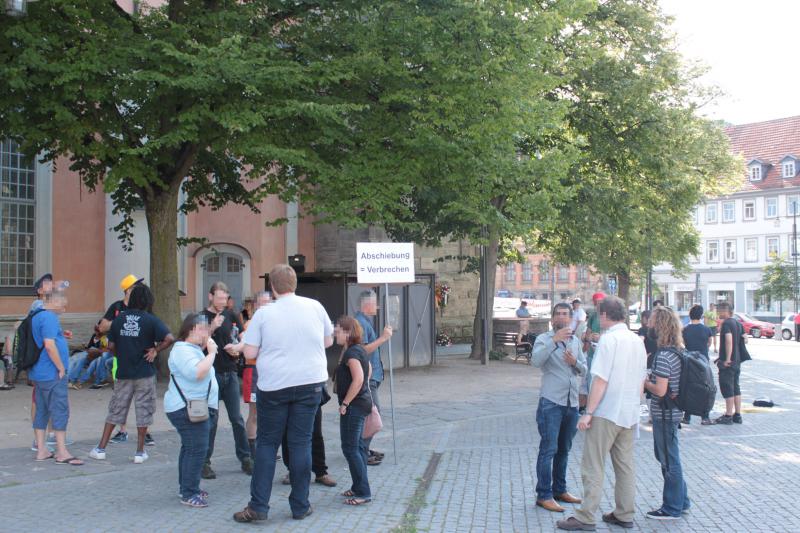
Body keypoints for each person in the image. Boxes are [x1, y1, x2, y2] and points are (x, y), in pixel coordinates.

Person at [233, 264, 333, 524]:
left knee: (267, 444)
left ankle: (258, 507)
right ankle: (300, 505)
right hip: (311, 383)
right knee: (301, 443)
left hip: (275, 386)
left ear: (273, 287)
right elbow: (329, 341)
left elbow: (250, 353)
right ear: (295, 284)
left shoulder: (265, 315)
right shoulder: (315, 307)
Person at [557, 296, 646, 531]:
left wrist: (588, 412)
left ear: (604, 315)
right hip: (629, 412)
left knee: (593, 464)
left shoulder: (609, 340)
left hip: (607, 411)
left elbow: (600, 380)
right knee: (625, 465)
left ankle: (586, 516)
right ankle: (624, 513)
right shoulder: (637, 341)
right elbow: (641, 380)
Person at [90, 284, 173, 464]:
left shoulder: (119, 320)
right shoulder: (151, 320)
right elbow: (169, 338)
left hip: (124, 372)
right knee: (143, 410)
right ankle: (139, 452)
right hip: (144, 372)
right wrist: (155, 350)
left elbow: (111, 346)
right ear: (148, 300)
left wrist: (120, 352)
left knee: (116, 409)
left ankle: (100, 448)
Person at [532, 303, 587, 513]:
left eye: (566, 314)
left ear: (571, 318)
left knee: (564, 450)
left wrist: (575, 362)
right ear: (553, 318)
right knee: (548, 449)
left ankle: (560, 490)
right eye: (559, 314)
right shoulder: (544, 339)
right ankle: (544, 494)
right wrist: (554, 342)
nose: (562, 318)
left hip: (571, 404)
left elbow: (584, 370)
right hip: (551, 403)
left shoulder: (575, 341)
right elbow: (536, 361)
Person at [165, 313, 220, 508]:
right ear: (192, 329)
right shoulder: (182, 350)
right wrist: (212, 353)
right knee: (197, 449)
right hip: (185, 408)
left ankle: (187, 487)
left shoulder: (191, 349)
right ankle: (189, 492)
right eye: (204, 329)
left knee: (190, 448)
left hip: (194, 406)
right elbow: (197, 372)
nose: (207, 333)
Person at [201, 281, 252, 479]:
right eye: (219, 298)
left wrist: (238, 348)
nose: (223, 302)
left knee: (237, 419)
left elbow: (241, 335)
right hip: (210, 375)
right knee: (211, 420)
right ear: (210, 296)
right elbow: (195, 344)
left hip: (229, 372)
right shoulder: (201, 317)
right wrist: (212, 327)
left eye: (225, 298)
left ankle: (246, 458)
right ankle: (205, 461)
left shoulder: (231, 315)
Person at [643, 307, 690, 520]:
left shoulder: (663, 356)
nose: (648, 325)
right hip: (673, 413)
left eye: (652, 321)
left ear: (660, 325)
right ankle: (682, 501)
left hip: (665, 414)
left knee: (669, 461)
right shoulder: (678, 349)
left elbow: (660, 390)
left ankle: (671, 507)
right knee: (670, 458)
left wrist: (644, 382)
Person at [29, 284, 83, 465]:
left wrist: (61, 334)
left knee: (42, 410)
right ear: (53, 300)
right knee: (60, 410)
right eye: (63, 303)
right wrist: (61, 367)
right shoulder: (50, 317)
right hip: (52, 373)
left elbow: (45, 338)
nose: (64, 308)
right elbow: (49, 346)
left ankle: (41, 450)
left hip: (39, 373)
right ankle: (62, 452)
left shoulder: (36, 315)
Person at [98, 274, 145, 445]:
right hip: (121, 358)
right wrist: (120, 321)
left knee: (144, 397)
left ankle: (145, 432)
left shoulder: (144, 306)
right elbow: (102, 326)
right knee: (121, 396)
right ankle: (122, 430)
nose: (141, 289)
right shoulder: (116, 307)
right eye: (137, 286)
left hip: (142, 357)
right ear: (128, 290)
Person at [334, 316, 373, 505]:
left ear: (348, 332)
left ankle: (363, 492)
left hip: (354, 406)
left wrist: (346, 403)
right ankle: (358, 487)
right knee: (356, 447)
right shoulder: (355, 350)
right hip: (360, 402)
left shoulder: (352, 354)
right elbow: (368, 371)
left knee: (350, 448)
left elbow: (358, 379)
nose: (335, 332)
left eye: (338, 330)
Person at [354, 290, 393, 465]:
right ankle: (361, 449)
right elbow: (362, 350)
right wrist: (383, 338)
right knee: (373, 414)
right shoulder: (361, 323)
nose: (377, 307)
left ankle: (363, 447)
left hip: (371, 375)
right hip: (367, 376)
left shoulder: (363, 321)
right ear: (366, 304)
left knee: (370, 413)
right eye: (375, 303)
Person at [242, 291, 271, 461]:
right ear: (255, 306)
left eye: (268, 302)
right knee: (254, 413)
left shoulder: (274, 322)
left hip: (269, 371)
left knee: (268, 413)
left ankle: (265, 447)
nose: (265, 306)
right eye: (261, 303)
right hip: (254, 371)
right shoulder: (251, 324)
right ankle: (253, 451)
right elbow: (246, 349)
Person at [714, 302, 747, 425]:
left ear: (725, 311)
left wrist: (727, 358)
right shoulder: (738, 323)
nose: (717, 313)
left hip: (729, 362)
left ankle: (728, 415)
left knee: (727, 387)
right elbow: (745, 338)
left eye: (719, 311)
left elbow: (728, 340)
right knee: (735, 387)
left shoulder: (726, 323)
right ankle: (737, 415)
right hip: (737, 361)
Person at [682, 305, 713, 425]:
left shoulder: (685, 329)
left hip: (689, 361)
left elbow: (683, 343)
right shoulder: (706, 329)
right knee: (706, 387)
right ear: (701, 315)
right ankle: (705, 416)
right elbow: (709, 343)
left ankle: (687, 416)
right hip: (703, 361)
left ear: (690, 315)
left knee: (688, 387)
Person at [579, 292, 605, 413]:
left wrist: (600, 337)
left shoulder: (608, 316)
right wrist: (589, 338)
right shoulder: (594, 316)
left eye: (600, 303)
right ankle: (591, 410)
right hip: (591, 355)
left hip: (604, 355)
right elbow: (587, 334)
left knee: (601, 382)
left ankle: (598, 409)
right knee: (590, 383)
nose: (598, 305)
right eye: (596, 303)